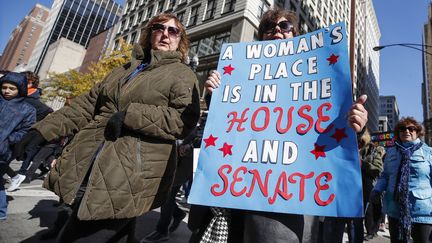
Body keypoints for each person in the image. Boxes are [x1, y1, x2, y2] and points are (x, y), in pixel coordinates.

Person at [14, 12, 200, 242]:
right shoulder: (125, 69)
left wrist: (131, 115)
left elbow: (183, 120)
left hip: (130, 173)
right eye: (159, 28)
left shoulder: (182, 74)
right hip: (88, 161)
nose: (165, 34)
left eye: (173, 31)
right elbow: (87, 104)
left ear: (180, 40)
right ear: (149, 34)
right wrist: (42, 130)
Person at [199, 8, 369, 243]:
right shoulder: (243, 70)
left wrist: (357, 123)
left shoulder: (317, 72)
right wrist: (215, 95)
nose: (276, 31)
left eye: (284, 26)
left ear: (295, 35)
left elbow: (335, 122)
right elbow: (226, 123)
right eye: (269, 28)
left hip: (292, 192)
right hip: (242, 186)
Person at [370, 117, 432, 243]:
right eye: (402, 129)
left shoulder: (428, 152)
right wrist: (377, 190)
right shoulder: (391, 152)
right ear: (398, 133)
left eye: (411, 128)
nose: (407, 131)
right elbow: (385, 176)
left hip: (423, 211)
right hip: (395, 209)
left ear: (417, 131)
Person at [7, 71, 53, 191]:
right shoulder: (21, 97)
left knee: (21, 155)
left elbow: (48, 111)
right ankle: (16, 176)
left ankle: (19, 175)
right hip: (15, 133)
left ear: (30, 83)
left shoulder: (31, 100)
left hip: (24, 135)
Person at [0, 72, 36, 220]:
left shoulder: (28, 110)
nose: (7, 91)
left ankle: (1, 212)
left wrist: (8, 140)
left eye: (11, 88)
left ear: (20, 89)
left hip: (3, 151)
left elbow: (26, 130)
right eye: (4, 87)